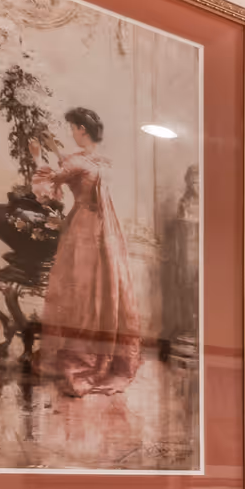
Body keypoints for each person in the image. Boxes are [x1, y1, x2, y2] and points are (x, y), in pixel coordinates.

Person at [36, 106, 142, 398]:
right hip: (103, 229)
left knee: (87, 291)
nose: (71, 133)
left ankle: (88, 358)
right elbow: (69, 170)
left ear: (82, 129)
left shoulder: (82, 162)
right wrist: (52, 148)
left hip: (88, 229)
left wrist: (36, 156)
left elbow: (50, 184)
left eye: (73, 128)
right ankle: (97, 356)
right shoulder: (101, 163)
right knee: (93, 290)